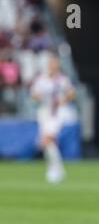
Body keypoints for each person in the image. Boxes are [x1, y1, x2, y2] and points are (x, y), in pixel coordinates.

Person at [31, 55, 76, 183]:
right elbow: (33, 94)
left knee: (48, 139)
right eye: (51, 63)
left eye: (55, 63)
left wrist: (64, 100)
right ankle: (53, 168)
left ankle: (58, 169)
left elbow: (72, 93)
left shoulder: (62, 79)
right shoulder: (41, 79)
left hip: (56, 114)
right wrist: (38, 97)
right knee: (46, 143)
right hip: (44, 112)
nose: (53, 65)